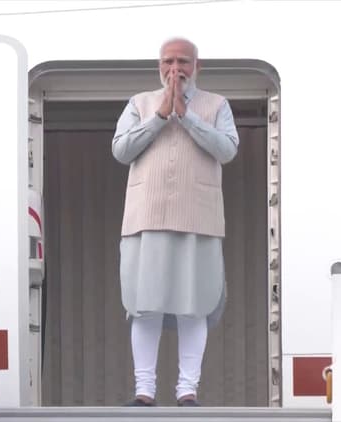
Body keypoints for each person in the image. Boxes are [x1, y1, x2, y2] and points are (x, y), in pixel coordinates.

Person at [111, 37, 239, 407]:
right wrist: (160, 116)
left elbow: (227, 149)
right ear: (159, 66)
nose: (175, 69)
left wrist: (187, 116)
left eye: (183, 61)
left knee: (193, 304)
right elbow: (121, 150)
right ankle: (144, 390)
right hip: (145, 219)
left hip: (199, 219)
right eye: (168, 61)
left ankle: (187, 390)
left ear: (197, 66)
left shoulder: (217, 104)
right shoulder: (139, 103)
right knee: (144, 304)